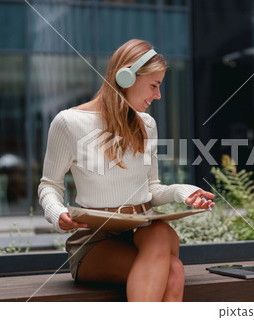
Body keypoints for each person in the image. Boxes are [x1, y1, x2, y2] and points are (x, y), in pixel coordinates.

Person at [38, 39, 215, 302]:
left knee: (158, 233)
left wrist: (183, 192)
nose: (158, 96)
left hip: (144, 229)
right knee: (174, 270)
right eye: (154, 86)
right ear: (126, 77)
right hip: (94, 240)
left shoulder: (147, 124)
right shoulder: (69, 122)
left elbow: (152, 189)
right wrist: (58, 213)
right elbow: (49, 186)